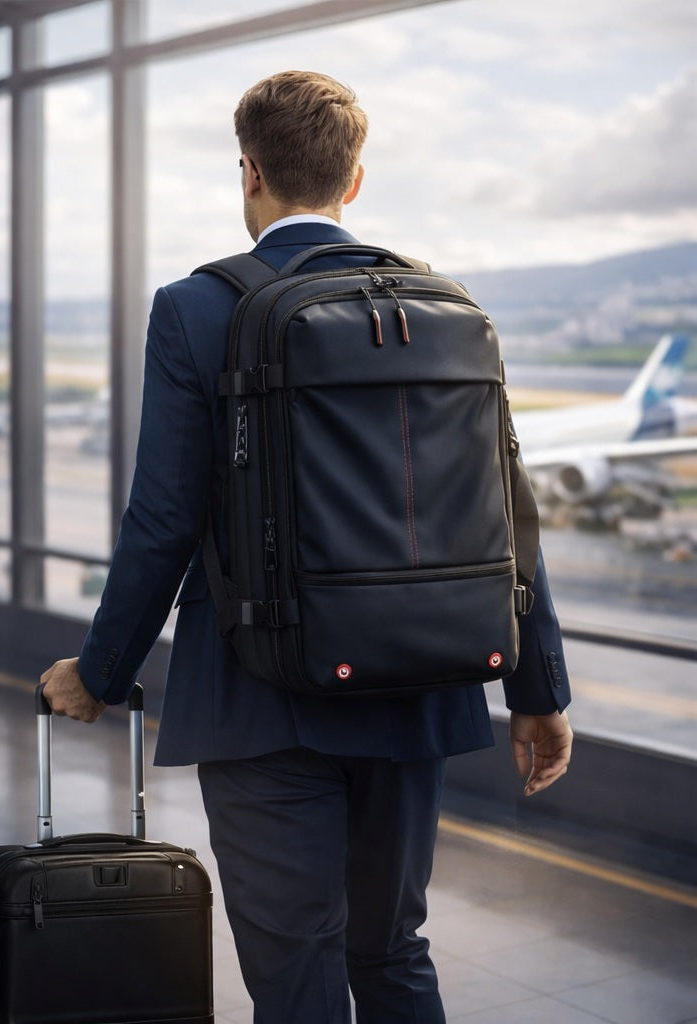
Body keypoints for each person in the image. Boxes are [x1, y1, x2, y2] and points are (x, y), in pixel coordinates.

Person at [42, 70, 573, 1024]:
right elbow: (509, 510)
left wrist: (101, 671)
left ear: (248, 173)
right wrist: (538, 690)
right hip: (419, 687)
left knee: (295, 971)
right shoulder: (447, 307)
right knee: (394, 950)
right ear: (354, 180)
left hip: (261, 697)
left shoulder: (197, 309)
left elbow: (162, 518)